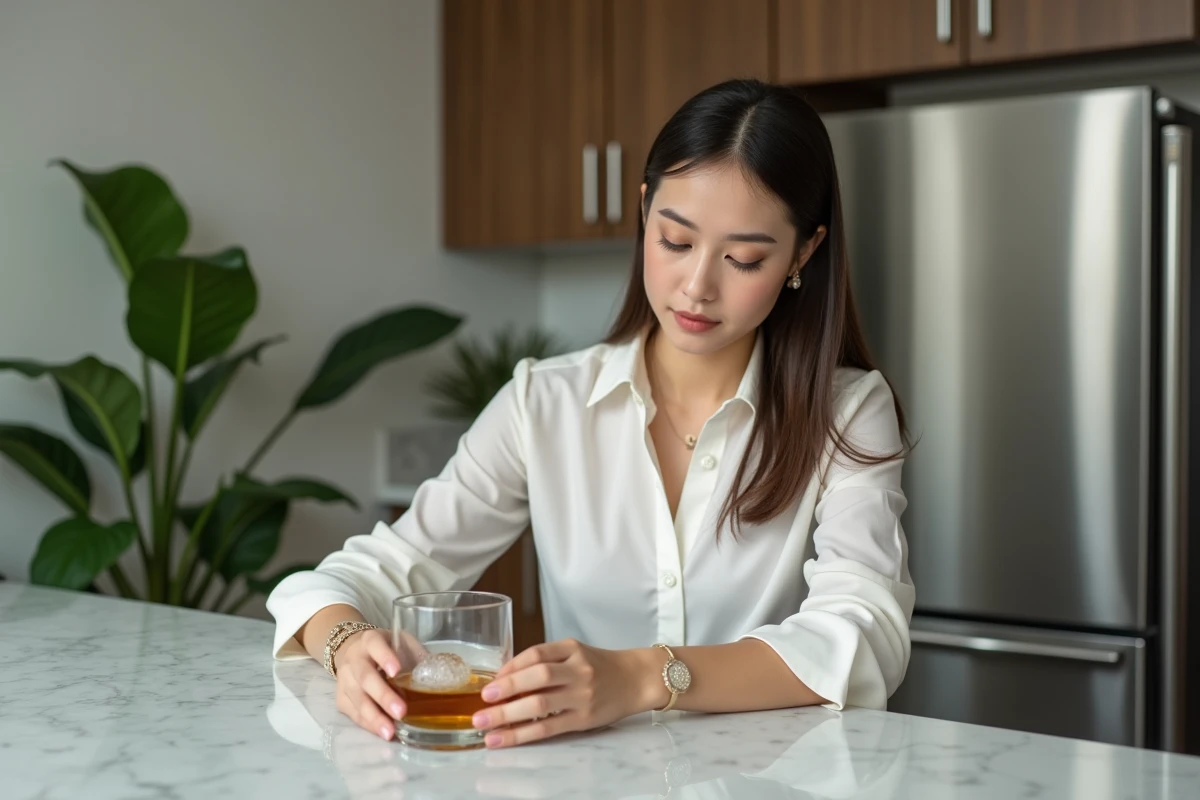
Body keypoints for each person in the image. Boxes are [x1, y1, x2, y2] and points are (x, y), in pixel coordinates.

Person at [267, 78, 915, 750]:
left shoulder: (847, 411)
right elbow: (363, 575)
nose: (698, 284)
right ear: (642, 211)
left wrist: (645, 676)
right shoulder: (542, 404)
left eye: (743, 257)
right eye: (674, 240)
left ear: (802, 254)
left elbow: (866, 631)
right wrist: (345, 643)